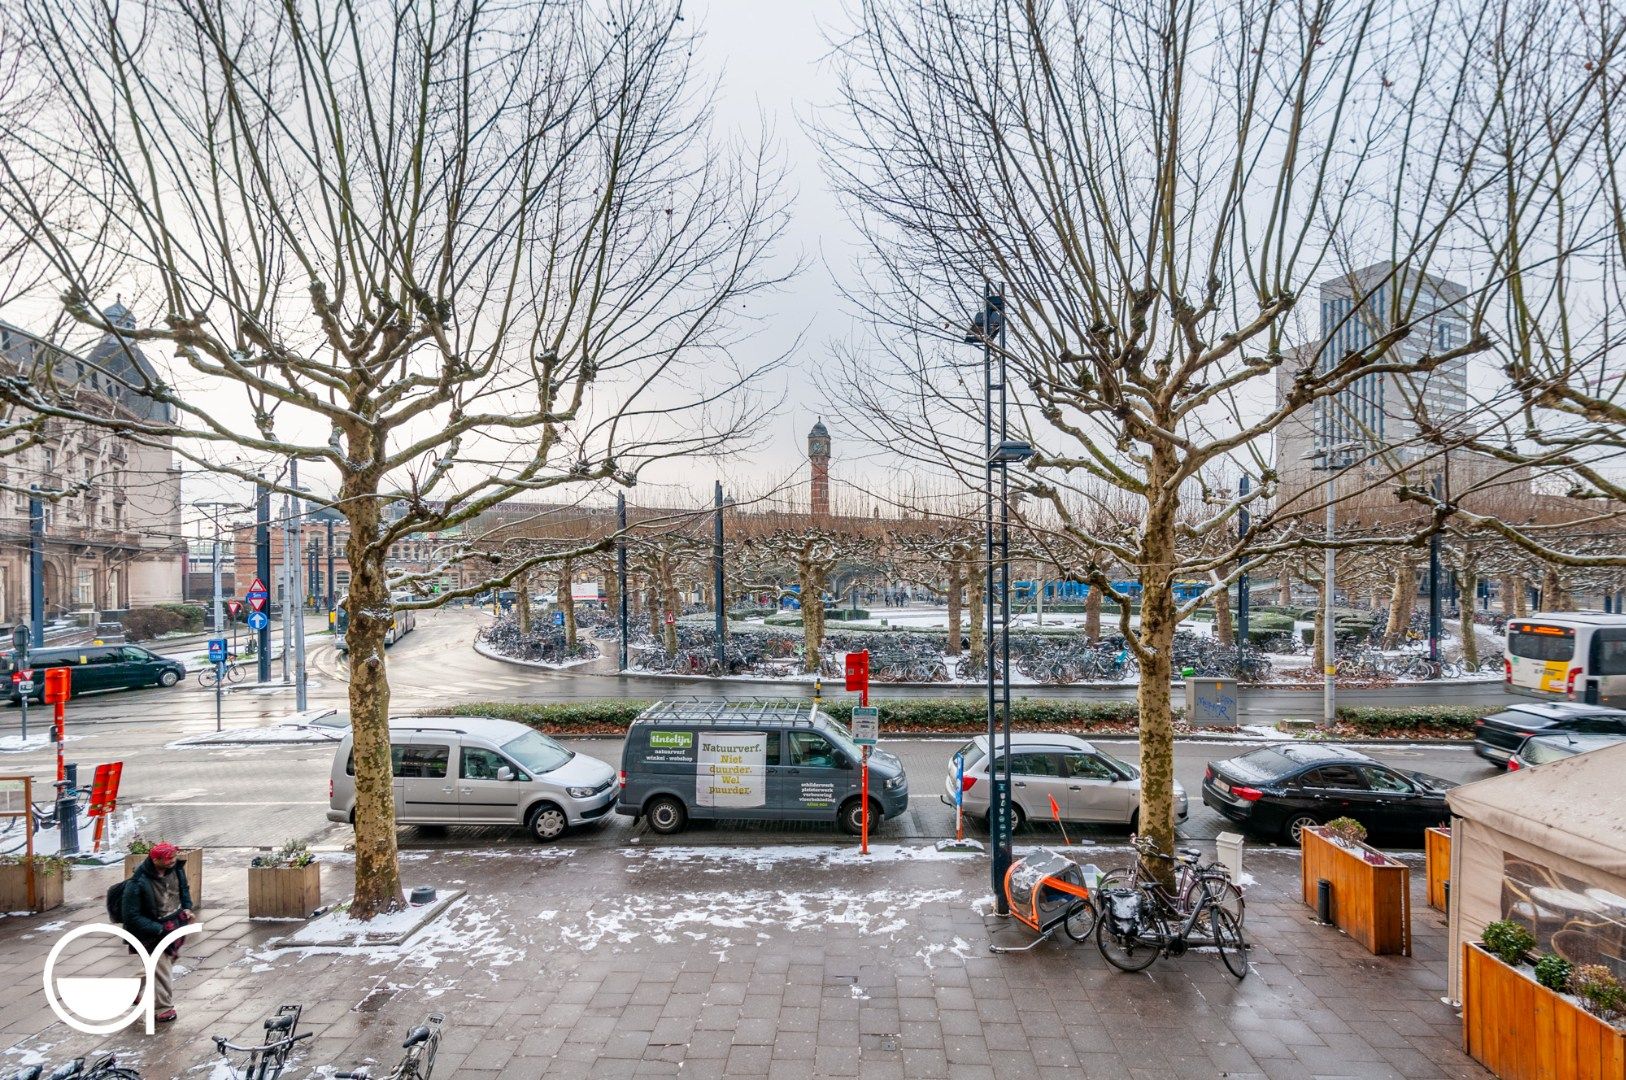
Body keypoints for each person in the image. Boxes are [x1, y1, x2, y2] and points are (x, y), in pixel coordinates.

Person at [121, 841, 194, 1023]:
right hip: (151, 933)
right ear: (156, 860)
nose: (173, 861)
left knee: (160, 964)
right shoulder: (137, 883)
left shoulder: (177, 869)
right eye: (168, 858)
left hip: (175, 925)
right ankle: (163, 1008)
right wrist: (159, 929)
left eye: (174, 857)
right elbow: (131, 916)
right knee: (162, 968)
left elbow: (183, 889)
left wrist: (186, 907)